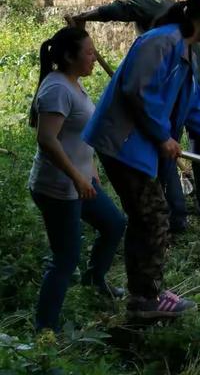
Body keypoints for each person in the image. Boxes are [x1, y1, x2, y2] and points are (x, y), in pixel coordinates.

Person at [82, 0, 200, 319]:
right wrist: (162, 136)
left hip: (136, 147)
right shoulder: (161, 41)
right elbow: (137, 90)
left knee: (150, 216)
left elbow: (194, 110)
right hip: (121, 142)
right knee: (153, 216)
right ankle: (145, 299)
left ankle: (145, 294)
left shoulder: (185, 54)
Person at [68, 0, 200, 230]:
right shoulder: (165, 39)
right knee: (176, 148)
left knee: (170, 149)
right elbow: (138, 91)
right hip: (184, 87)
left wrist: (84, 16)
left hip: (185, 83)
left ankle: (175, 214)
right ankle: (189, 210)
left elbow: (122, 8)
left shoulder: (158, 13)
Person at [28, 27, 126, 332]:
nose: (94, 58)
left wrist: (90, 169)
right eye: (88, 52)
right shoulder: (57, 88)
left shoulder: (72, 83)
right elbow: (47, 139)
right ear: (70, 56)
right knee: (65, 258)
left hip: (81, 182)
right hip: (58, 187)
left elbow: (77, 134)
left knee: (114, 224)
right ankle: (45, 331)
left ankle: (95, 280)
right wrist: (76, 177)